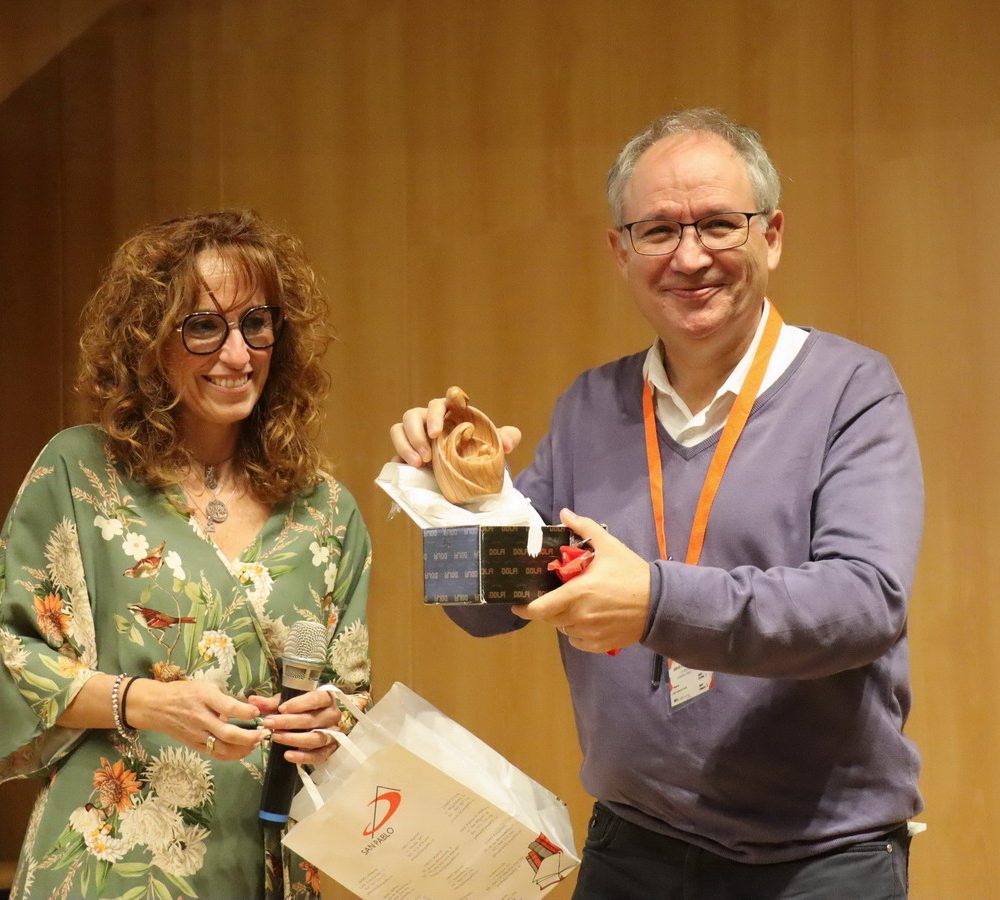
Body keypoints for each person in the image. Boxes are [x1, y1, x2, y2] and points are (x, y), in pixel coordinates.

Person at [391, 108, 923, 898]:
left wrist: (653, 602)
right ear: (621, 250)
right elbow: (484, 610)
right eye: (659, 231)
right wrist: (459, 499)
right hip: (633, 846)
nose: (690, 256)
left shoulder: (851, 390)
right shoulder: (590, 406)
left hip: (821, 857)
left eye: (719, 224)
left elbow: (863, 603)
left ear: (772, 235)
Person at [0, 209, 372, 899]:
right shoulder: (81, 475)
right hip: (109, 861)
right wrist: (142, 701)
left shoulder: (326, 511)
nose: (237, 355)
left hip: (265, 859)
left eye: (256, 324)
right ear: (148, 341)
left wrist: (329, 727)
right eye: (203, 327)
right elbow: (11, 657)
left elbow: (350, 696)